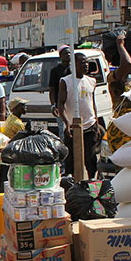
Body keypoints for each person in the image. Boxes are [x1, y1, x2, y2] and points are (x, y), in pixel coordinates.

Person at [58, 52, 99, 180]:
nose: (85, 65)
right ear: (74, 65)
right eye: (82, 63)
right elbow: (60, 103)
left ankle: (91, 182)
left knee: (89, 157)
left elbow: (92, 102)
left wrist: (96, 120)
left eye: (86, 62)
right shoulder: (65, 81)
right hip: (72, 127)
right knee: (71, 159)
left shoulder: (91, 81)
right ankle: (73, 184)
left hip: (89, 125)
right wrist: (66, 123)